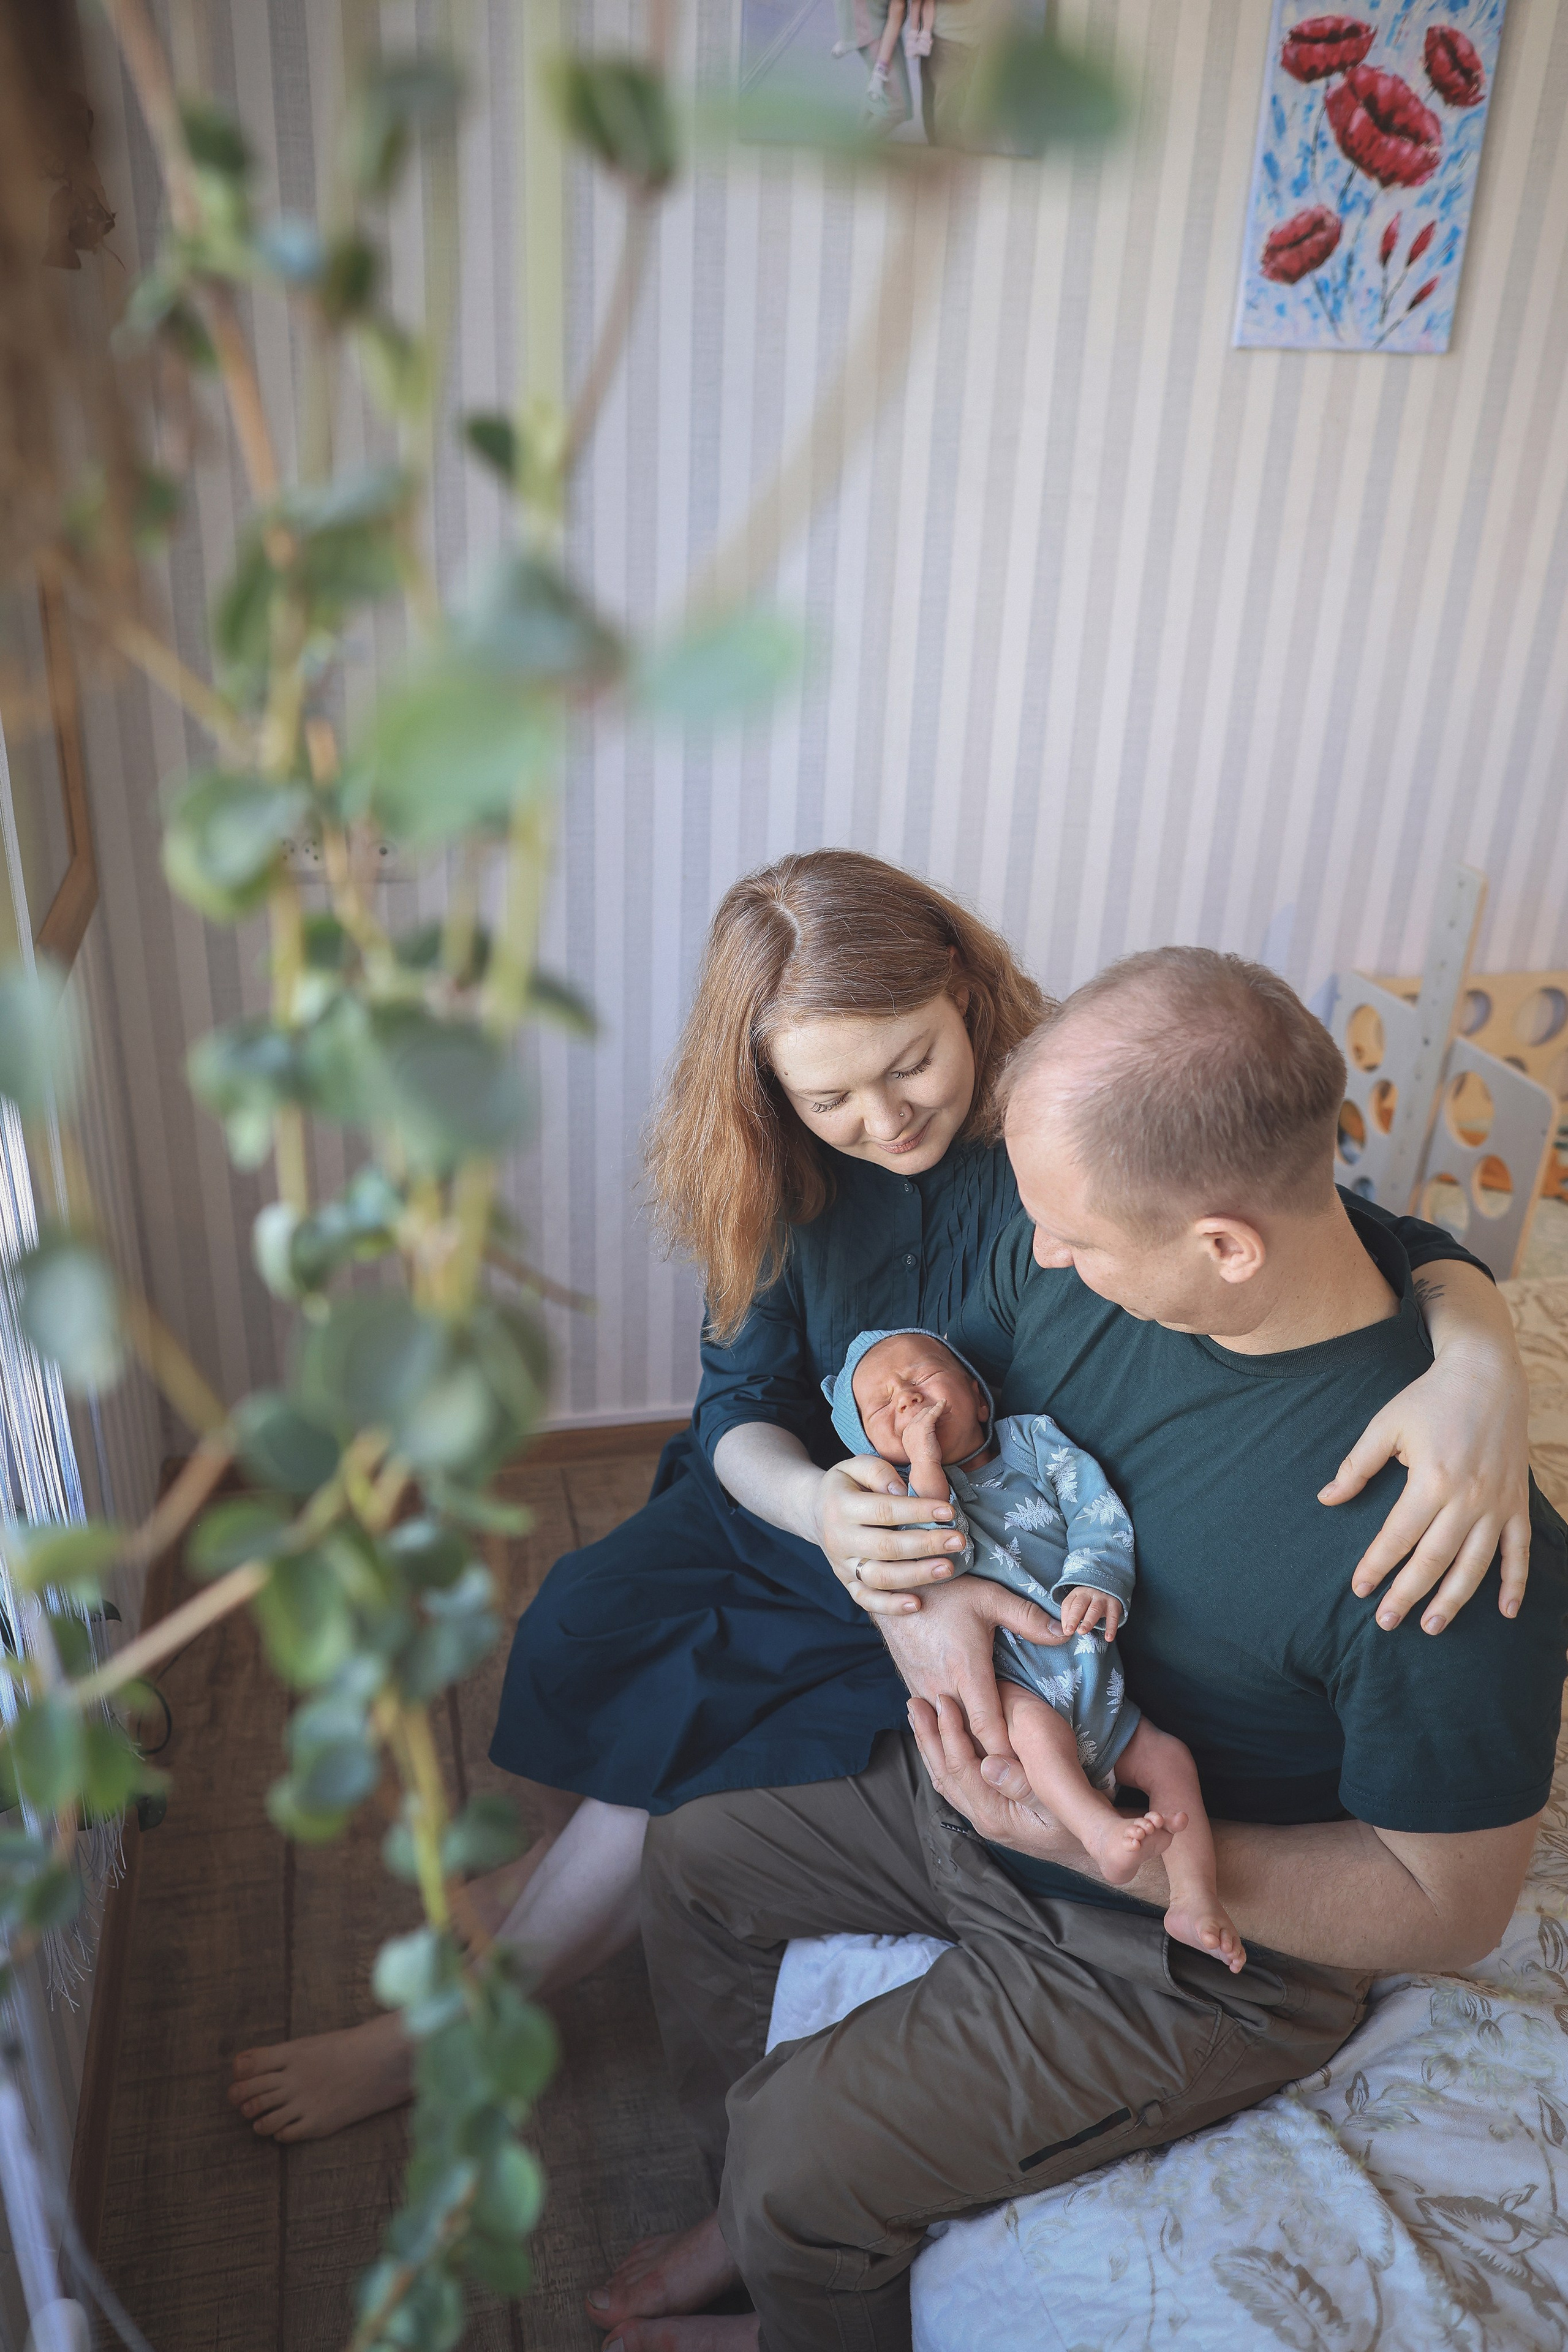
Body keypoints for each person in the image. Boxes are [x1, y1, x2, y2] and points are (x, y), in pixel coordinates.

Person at [227, 859, 1528, 2143]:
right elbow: (735, 1405)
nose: (884, 1118)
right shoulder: (777, 1174)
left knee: (682, 1741)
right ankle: (556, 1886)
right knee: (579, 1617)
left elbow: (1347, 1227)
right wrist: (817, 1509)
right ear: (768, 1092)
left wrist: (1478, 1362)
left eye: (910, 1065)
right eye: (829, 1097)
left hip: (971, 1527)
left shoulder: (1055, 1127)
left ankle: (460, 2020)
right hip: (808, 1496)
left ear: (963, 990)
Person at [596, 948, 1568, 2352]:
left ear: (1222, 1245)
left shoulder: (1438, 1544)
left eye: (1071, 1234)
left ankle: (786, 2227)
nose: (1037, 1252)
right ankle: (753, 2226)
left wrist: (1135, 1857)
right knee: (694, 1849)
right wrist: (914, 1541)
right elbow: (928, 1387)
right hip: (1005, 1762)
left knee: (800, 2157)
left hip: (1191, 1940)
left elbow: (1449, 1905)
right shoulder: (1087, 1260)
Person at [831, 1325, 1244, 1966]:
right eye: (881, 1406)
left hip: (1101, 1686)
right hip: (1020, 1684)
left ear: (978, 1395)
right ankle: (1099, 1833)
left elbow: (1093, 1505)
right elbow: (940, 1550)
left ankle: (1193, 1900)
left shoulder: (1032, 1441)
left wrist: (1097, 1577)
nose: (906, 1398)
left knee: (1170, 1759)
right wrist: (925, 1464)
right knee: (1033, 1734)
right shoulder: (900, 1501)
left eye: (922, 1376)